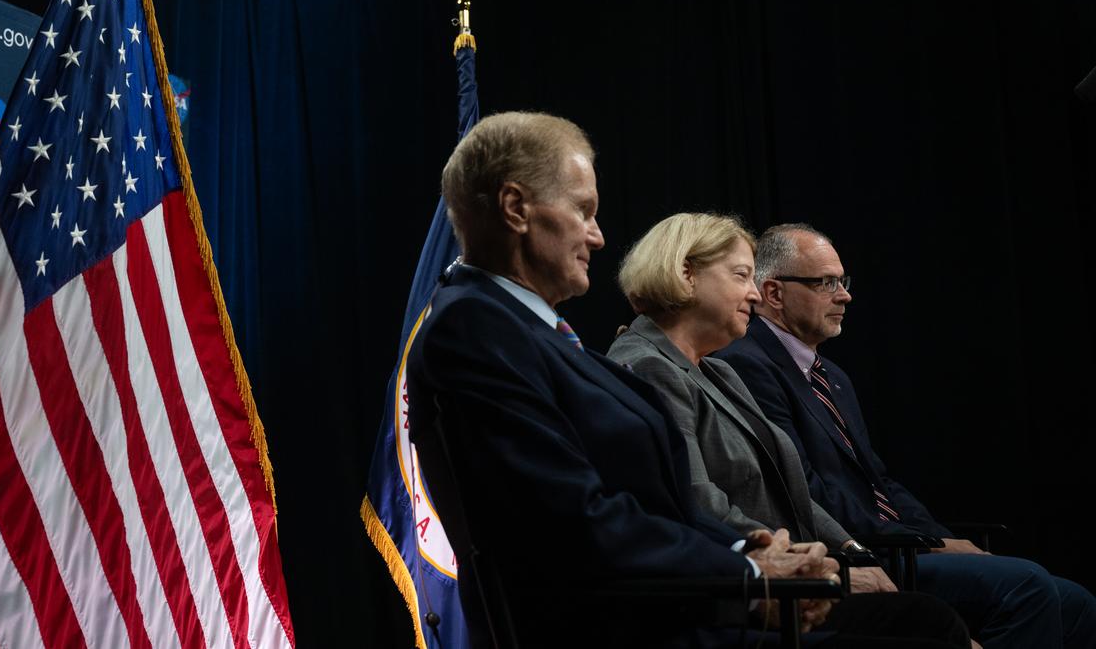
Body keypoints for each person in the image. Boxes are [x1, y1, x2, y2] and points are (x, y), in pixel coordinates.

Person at [405, 112, 969, 648]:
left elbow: (651, 504)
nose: (598, 236)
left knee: (922, 620)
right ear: (515, 208)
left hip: (673, 602)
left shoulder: (533, 333)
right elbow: (576, 519)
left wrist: (748, 547)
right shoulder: (474, 329)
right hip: (630, 625)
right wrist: (749, 571)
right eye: (584, 210)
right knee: (924, 630)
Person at [717, 223, 1096, 649]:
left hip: (898, 546)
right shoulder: (746, 364)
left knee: (1076, 602)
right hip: (857, 553)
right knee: (1026, 586)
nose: (845, 295)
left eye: (842, 281)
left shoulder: (832, 376)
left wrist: (937, 536)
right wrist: (922, 545)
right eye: (826, 283)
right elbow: (801, 488)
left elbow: (878, 480)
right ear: (773, 294)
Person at [606, 213, 900, 604]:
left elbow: (790, 489)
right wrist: (812, 569)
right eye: (742, 275)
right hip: (751, 588)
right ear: (686, 273)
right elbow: (697, 499)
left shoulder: (720, 371)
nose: (756, 294)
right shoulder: (648, 364)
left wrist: (851, 551)